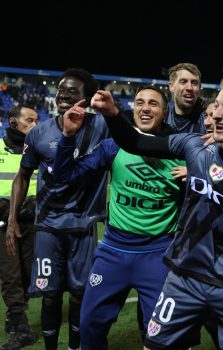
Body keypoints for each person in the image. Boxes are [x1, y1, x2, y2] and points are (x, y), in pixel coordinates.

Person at [88, 76, 223, 349]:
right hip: (183, 278)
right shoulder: (195, 146)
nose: (215, 114)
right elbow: (136, 142)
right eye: (216, 105)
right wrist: (112, 114)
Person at [53, 87, 185, 349]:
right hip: (113, 252)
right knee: (89, 324)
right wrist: (68, 136)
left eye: (153, 104)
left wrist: (197, 173)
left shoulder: (179, 151)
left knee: (161, 336)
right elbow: (65, 177)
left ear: (165, 112)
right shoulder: (113, 147)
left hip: (158, 254)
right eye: (139, 102)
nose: (145, 108)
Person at [8, 68, 109, 350]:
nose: (63, 94)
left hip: (83, 225)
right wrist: (14, 218)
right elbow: (23, 176)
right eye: (61, 89)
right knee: (50, 295)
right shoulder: (39, 133)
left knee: (79, 294)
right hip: (49, 226)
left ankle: (74, 346)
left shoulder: (102, 126)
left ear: (86, 97)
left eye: (72, 90)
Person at [0, 105, 38, 350]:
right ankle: (20, 327)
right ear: (13, 122)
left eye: (36, 120)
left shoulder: (38, 150)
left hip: (33, 222)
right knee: (11, 275)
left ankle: (13, 318)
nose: (35, 125)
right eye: (29, 120)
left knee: (27, 276)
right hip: (3, 223)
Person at [166, 63, 207, 133]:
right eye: (183, 82)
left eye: (194, 83)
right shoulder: (161, 117)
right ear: (171, 87)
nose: (189, 88)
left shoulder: (208, 121)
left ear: (199, 88)